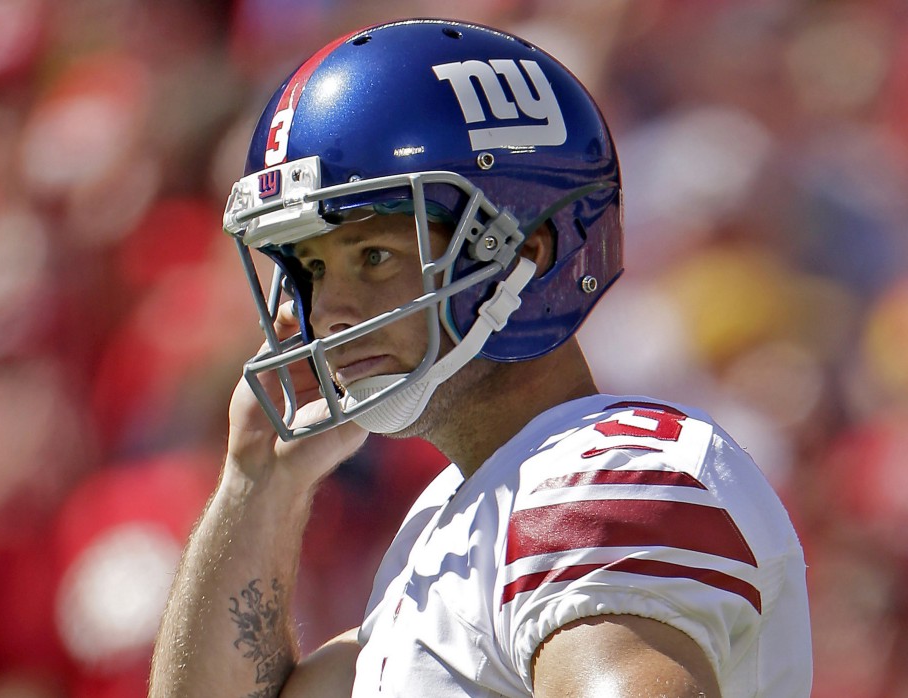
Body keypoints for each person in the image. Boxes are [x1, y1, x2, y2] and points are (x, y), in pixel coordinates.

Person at [150, 18, 812, 698]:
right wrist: (259, 486)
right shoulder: (458, 514)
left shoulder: (596, 478)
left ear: (526, 257)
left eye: (374, 257)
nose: (328, 314)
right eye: (314, 269)